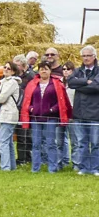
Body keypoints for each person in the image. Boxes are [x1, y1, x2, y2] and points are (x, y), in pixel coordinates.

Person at [21, 61, 72, 173]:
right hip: (36, 118)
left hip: (51, 118)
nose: (44, 71)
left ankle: (52, 168)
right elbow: (27, 100)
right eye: (41, 69)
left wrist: (52, 110)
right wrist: (31, 109)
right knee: (36, 143)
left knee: (50, 143)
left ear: (50, 71)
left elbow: (61, 101)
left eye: (46, 69)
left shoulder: (57, 83)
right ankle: (35, 168)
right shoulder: (32, 84)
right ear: (38, 71)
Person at [67, 45, 99, 176]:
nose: (86, 58)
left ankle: (95, 168)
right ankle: (84, 167)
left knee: (96, 143)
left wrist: (80, 86)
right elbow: (70, 83)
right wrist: (87, 81)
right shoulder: (78, 70)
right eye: (83, 56)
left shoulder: (98, 70)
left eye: (88, 55)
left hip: (95, 113)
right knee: (82, 143)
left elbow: (96, 87)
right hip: (79, 113)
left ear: (94, 57)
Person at [0, 62, 21, 171]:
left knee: (3, 141)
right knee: (8, 141)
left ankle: (5, 167)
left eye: (8, 68)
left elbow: (2, 97)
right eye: (5, 67)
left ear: (13, 71)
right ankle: (11, 166)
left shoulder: (11, 82)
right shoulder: (5, 82)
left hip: (8, 114)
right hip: (5, 114)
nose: (6, 69)